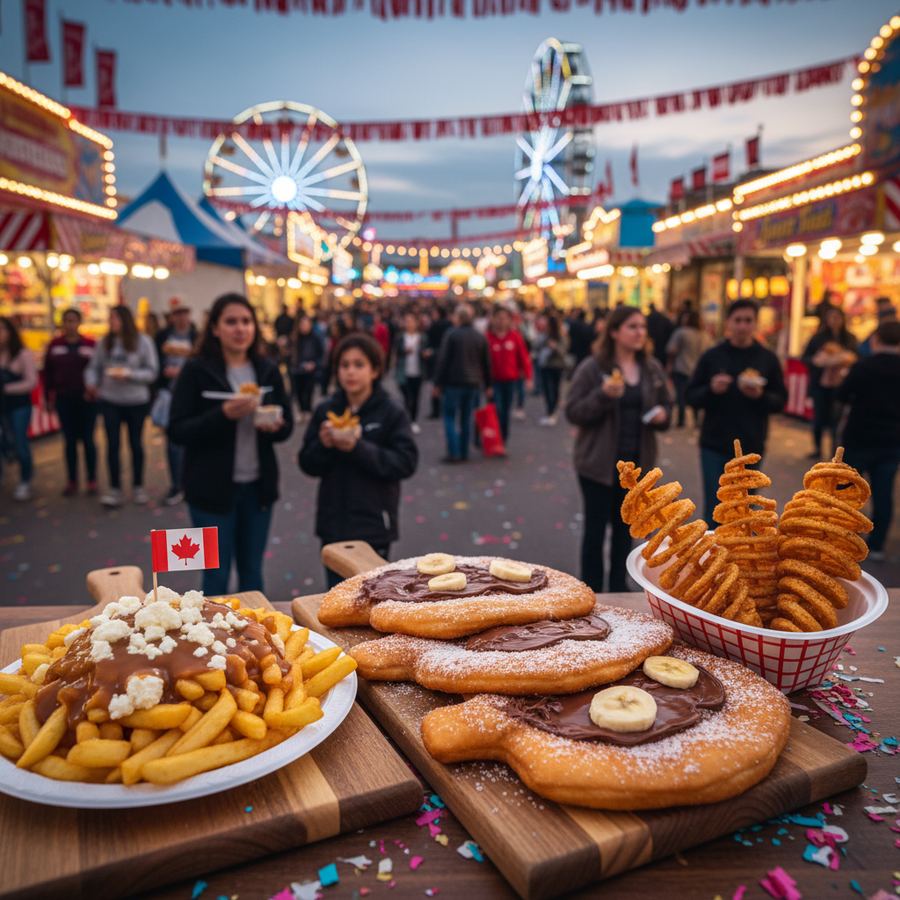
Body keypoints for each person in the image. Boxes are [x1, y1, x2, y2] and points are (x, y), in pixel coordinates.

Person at [168, 294, 293, 595]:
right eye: (231, 321)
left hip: (257, 490)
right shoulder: (197, 371)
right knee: (215, 575)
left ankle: (256, 639)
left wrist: (273, 426)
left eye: (246, 321)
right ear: (214, 328)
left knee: (252, 575)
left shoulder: (267, 369)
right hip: (209, 492)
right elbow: (177, 429)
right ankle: (210, 639)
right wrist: (222, 415)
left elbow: (285, 425)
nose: (240, 329)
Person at [564, 307, 672, 593]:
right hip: (597, 464)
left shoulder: (651, 368)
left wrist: (663, 415)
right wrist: (602, 396)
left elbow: (667, 405)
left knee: (627, 531)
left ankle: (619, 589)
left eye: (643, 327)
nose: (640, 333)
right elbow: (573, 411)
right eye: (632, 327)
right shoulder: (593, 368)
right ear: (614, 331)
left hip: (636, 469)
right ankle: (592, 591)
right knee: (595, 531)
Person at [299, 333, 418, 588]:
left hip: (374, 522)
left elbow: (405, 462)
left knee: (371, 595)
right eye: (344, 365)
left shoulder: (390, 410)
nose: (350, 372)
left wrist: (357, 447)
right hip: (333, 521)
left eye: (359, 365)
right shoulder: (326, 410)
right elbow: (307, 463)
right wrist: (324, 445)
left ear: (375, 370)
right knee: (334, 596)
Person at [686, 299, 787, 523]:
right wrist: (711, 389)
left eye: (748, 320)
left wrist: (760, 396)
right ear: (728, 323)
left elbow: (780, 401)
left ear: (755, 324)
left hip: (752, 445)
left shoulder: (767, 358)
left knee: (744, 512)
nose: (743, 326)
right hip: (714, 443)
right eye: (738, 320)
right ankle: (712, 555)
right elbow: (691, 396)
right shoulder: (712, 356)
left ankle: (739, 558)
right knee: (716, 509)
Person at [838, 320, 900, 562]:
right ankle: (877, 545)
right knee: (883, 493)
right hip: (891, 442)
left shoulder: (862, 367)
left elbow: (843, 395)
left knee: (844, 493)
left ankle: (842, 536)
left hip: (859, 438)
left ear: (876, 340)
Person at [84, 305, 159, 508]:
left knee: (136, 444)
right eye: (110, 319)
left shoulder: (143, 341)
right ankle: (115, 488)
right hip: (110, 400)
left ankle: (138, 486)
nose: (112, 322)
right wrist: (91, 382)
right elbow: (93, 367)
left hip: (136, 401)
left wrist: (130, 374)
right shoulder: (104, 343)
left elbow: (152, 372)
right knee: (112, 445)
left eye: (115, 318)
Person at [43, 308, 98, 496]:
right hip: (64, 399)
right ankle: (72, 480)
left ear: (79, 322)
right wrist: (48, 398)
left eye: (73, 320)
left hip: (87, 400)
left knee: (89, 441)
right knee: (69, 441)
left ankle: (92, 479)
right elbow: (48, 373)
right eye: (67, 320)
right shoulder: (55, 345)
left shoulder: (90, 344)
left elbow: (97, 370)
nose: (70, 324)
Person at [434, 304, 492, 463]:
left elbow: (443, 361)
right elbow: (486, 363)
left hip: (454, 382)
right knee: (466, 418)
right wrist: (488, 385)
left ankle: (454, 452)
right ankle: (464, 451)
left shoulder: (452, 335)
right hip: (473, 383)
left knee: (450, 417)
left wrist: (438, 383)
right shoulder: (479, 336)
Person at [154, 301, 197, 505]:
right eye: (177, 313)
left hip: (193, 396)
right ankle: (177, 484)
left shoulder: (197, 337)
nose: (181, 317)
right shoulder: (162, 337)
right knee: (172, 442)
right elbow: (154, 364)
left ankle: (190, 483)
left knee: (193, 441)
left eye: (184, 312)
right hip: (169, 395)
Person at [802, 306, 858, 459]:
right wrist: (817, 361)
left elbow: (856, 359)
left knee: (836, 420)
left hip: (841, 386)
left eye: (837, 317)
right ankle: (818, 449)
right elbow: (805, 358)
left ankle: (836, 451)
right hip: (820, 385)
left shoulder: (850, 338)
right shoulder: (818, 338)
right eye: (831, 317)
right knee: (819, 418)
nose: (834, 321)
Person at [0, 317, 38, 501]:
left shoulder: (22, 354)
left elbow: (32, 382)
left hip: (18, 406)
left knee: (20, 442)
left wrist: (7, 389)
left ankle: (25, 479)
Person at [485, 306, 533, 445]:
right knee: (497, 409)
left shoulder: (515, 337)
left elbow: (524, 358)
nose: (501, 321)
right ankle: (494, 437)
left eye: (504, 318)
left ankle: (502, 439)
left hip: (510, 380)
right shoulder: (487, 338)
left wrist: (528, 377)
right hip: (493, 381)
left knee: (505, 411)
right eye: (498, 318)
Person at [666, 308, 709, 428]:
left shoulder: (681, 332)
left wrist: (669, 365)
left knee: (681, 395)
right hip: (698, 369)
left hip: (681, 367)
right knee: (695, 394)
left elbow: (671, 350)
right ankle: (697, 420)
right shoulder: (704, 335)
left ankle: (681, 420)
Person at [290, 314, 325, 424]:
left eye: (306, 324)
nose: (304, 327)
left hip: (310, 370)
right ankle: (301, 411)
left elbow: (321, 354)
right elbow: (290, 354)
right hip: (297, 369)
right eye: (302, 324)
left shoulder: (315, 338)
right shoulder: (295, 339)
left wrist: (314, 364)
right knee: (299, 392)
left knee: (308, 391)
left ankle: (307, 411)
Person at [394, 311, 426, 435]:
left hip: (417, 371)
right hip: (404, 371)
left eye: (411, 321)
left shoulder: (422, 337)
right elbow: (397, 352)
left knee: (416, 397)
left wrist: (425, 353)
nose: (409, 324)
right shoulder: (401, 337)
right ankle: (406, 420)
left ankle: (413, 421)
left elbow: (426, 350)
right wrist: (404, 351)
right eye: (406, 321)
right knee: (407, 398)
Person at [535, 312, 568, 426]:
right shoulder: (545, 336)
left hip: (556, 365)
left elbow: (563, 351)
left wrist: (555, 347)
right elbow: (537, 347)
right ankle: (551, 411)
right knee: (549, 389)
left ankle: (552, 411)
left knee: (553, 389)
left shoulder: (561, 336)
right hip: (546, 365)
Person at [425, 305, 452, 419]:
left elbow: (430, 341)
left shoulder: (435, 325)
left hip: (436, 357)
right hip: (446, 358)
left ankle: (436, 410)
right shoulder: (449, 325)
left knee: (436, 384)